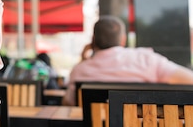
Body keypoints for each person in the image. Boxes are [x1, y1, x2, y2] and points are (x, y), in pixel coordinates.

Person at [62, 15, 193, 105]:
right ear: (123, 39)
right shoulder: (146, 60)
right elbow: (189, 80)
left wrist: (83, 59)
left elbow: (69, 102)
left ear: (93, 40)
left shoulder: (80, 69)